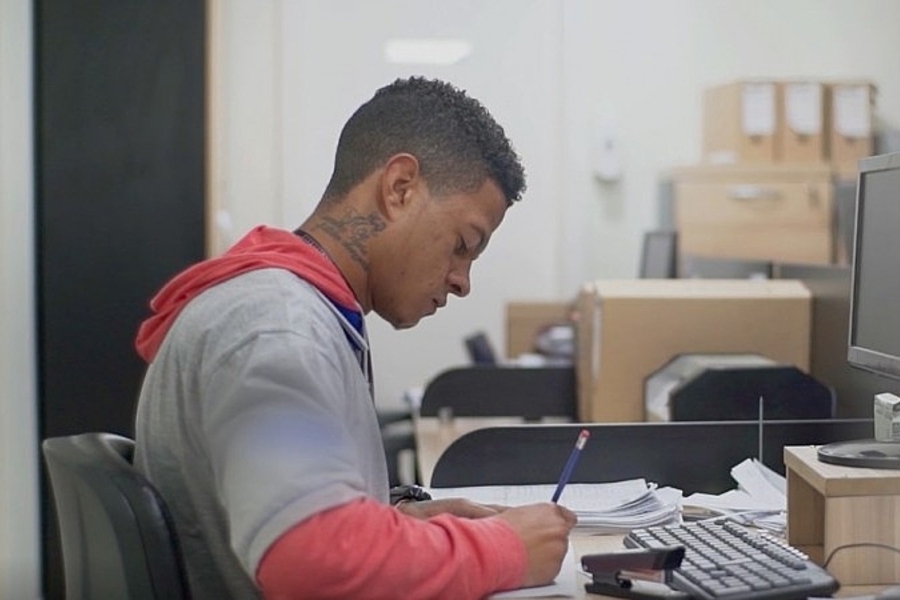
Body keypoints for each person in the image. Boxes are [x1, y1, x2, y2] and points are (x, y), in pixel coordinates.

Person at [133, 76, 576, 599]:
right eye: (463, 244)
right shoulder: (277, 329)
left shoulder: (292, 311)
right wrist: (505, 550)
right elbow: (313, 563)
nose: (462, 280)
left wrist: (402, 522)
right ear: (400, 188)